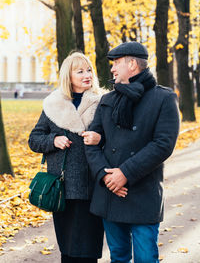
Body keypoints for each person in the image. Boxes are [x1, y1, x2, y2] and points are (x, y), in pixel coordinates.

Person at [85, 41, 180, 263]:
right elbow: (92, 143)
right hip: (110, 192)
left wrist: (124, 173)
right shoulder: (108, 100)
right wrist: (106, 176)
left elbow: (163, 144)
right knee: (118, 257)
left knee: (146, 259)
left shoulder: (164, 98)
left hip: (142, 193)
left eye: (116, 63)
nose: (112, 69)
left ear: (132, 64)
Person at [28, 52, 104, 263]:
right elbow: (34, 139)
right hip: (63, 188)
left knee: (88, 250)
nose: (87, 74)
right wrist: (53, 140)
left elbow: (114, 141)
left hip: (93, 185)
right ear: (68, 76)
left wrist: (99, 138)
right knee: (68, 248)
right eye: (80, 71)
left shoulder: (103, 103)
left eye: (89, 70)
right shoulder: (54, 104)